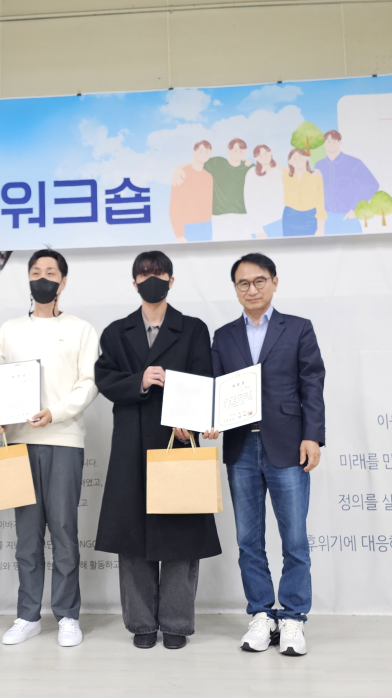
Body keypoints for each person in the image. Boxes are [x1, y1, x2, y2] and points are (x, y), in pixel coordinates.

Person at [95, 250, 221, 650]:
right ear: (134, 282)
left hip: (177, 440)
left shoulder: (193, 329)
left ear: (172, 280)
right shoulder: (117, 331)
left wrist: (192, 422)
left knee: (181, 535)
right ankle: (141, 624)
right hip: (131, 445)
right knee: (133, 536)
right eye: (145, 275)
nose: (153, 280)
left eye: (160, 274)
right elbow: (104, 378)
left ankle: (177, 624)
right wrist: (140, 380)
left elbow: (204, 379)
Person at [209, 253, 325, 656]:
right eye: (243, 283)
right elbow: (216, 387)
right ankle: (261, 613)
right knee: (248, 539)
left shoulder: (298, 328)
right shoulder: (223, 336)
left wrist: (312, 436)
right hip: (240, 446)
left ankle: (293, 617)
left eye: (259, 281)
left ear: (274, 282)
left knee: (294, 538)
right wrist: (210, 419)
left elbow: (312, 384)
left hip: (288, 444)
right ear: (235, 289)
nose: (252, 289)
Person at [0, 250, 99, 649]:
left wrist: (56, 412)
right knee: (27, 535)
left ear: (63, 281)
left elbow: (89, 383)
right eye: (36, 272)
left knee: (65, 530)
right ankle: (28, 615)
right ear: (29, 280)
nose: (43, 278)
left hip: (63, 439)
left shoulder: (81, 329)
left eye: (51, 272)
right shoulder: (10, 329)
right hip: (19, 443)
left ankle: (67, 615)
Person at [314, 130, 379, 235]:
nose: (331, 144)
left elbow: (372, 185)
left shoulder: (354, 163)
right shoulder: (319, 165)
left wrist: (355, 209)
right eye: (328, 141)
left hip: (348, 218)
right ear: (324, 143)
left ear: (340, 143)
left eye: (334, 141)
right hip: (326, 220)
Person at [203, 137, 253, 241]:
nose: (237, 152)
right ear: (228, 150)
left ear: (245, 151)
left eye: (241, 150)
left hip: (243, 215)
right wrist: (178, 169)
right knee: (221, 245)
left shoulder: (248, 167)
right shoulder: (217, 162)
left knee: (244, 244)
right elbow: (197, 163)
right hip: (220, 216)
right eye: (235, 149)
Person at [168, 140, 214, 242]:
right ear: (194, 152)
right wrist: (179, 235)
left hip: (207, 225)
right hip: (189, 226)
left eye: (206, 151)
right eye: (200, 151)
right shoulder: (182, 174)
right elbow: (175, 206)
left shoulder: (208, 176)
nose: (203, 154)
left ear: (210, 153)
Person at [243, 145, 285, 239]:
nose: (263, 157)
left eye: (265, 153)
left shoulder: (279, 171)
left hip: (280, 221)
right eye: (260, 155)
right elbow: (249, 202)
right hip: (261, 225)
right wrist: (258, 229)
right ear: (255, 158)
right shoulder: (251, 173)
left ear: (271, 152)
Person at [281, 149, 326, 237]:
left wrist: (321, 228)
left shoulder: (316, 177)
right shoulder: (285, 174)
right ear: (290, 162)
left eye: (300, 157)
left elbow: (320, 203)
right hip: (290, 216)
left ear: (306, 158)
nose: (298, 160)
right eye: (294, 158)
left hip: (310, 217)